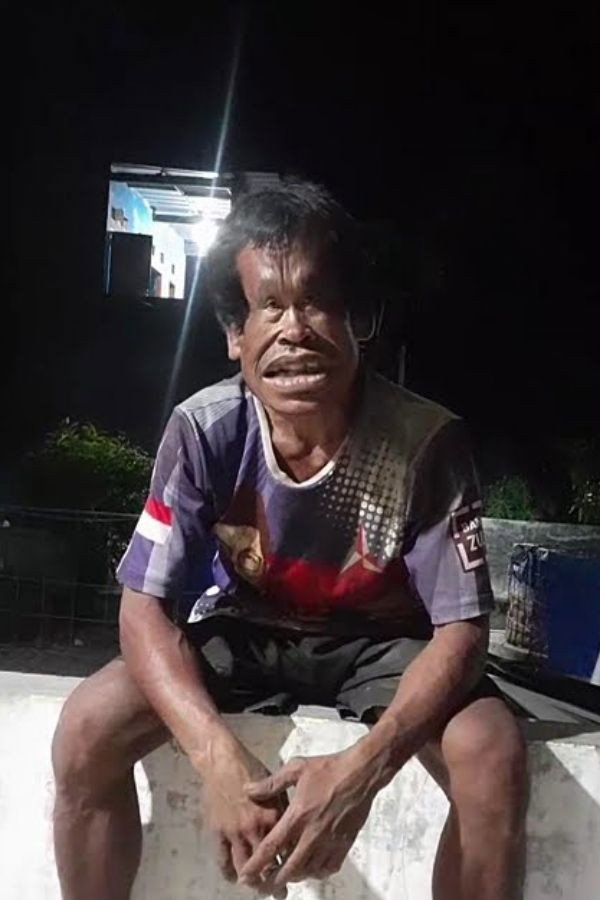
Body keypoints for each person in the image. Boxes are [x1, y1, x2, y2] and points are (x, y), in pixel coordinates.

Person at [52, 181, 528, 900]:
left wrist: (363, 771)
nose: (294, 330)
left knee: (491, 754)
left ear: (357, 319)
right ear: (235, 335)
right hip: (249, 628)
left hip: (383, 643)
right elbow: (143, 607)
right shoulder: (206, 430)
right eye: (268, 306)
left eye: (317, 302)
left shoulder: (425, 440)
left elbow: (462, 629)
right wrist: (217, 760)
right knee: (87, 728)